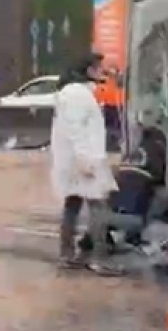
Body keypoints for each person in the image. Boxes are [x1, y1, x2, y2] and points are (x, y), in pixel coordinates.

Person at [50, 52, 121, 275]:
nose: (103, 71)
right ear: (88, 70)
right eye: (99, 67)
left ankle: (67, 254)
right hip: (83, 160)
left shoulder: (75, 93)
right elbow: (76, 129)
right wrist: (84, 159)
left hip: (76, 159)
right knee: (99, 207)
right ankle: (98, 258)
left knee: (72, 204)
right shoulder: (77, 96)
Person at [94, 60, 125, 153]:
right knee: (109, 127)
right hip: (108, 105)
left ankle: (117, 144)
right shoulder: (105, 80)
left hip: (119, 105)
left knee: (118, 127)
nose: (111, 72)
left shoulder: (120, 81)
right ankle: (110, 145)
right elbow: (99, 92)